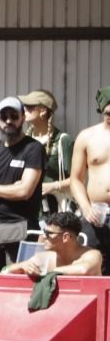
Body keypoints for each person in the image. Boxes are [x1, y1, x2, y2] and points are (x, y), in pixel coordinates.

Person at [0, 96, 45, 274]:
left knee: (18, 285)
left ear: (22, 117)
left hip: (20, 230)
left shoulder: (33, 149)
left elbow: (25, 191)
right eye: (4, 116)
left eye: (14, 116)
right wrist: (10, 188)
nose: (8, 121)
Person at [68, 85, 110, 274]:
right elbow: (75, 179)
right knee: (94, 265)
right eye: (108, 112)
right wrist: (85, 207)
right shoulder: (87, 136)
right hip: (96, 213)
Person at [4, 210, 103, 279]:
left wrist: (45, 271)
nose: (43, 236)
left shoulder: (92, 255)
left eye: (48, 233)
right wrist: (23, 266)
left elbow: (83, 270)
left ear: (66, 237)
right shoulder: (47, 257)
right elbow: (6, 271)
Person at [21, 89, 74, 216]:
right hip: (25, 210)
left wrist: (53, 186)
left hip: (54, 212)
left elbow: (77, 179)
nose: (24, 110)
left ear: (43, 111)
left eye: (29, 107)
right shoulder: (23, 141)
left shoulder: (62, 140)